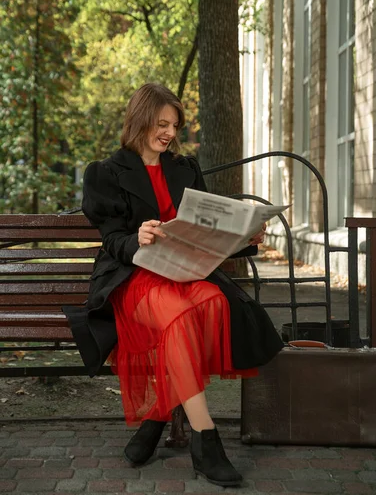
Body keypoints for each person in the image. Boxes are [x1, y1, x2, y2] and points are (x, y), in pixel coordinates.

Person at [64, 83, 283, 487]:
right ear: (140, 118)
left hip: (186, 271)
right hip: (135, 278)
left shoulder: (185, 168)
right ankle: (206, 440)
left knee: (215, 299)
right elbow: (111, 240)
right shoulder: (105, 172)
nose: (168, 132)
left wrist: (243, 237)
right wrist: (137, 237)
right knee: (181, 318)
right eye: (161, 123)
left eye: (174, 125)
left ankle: (156, 418)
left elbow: (206, 228)